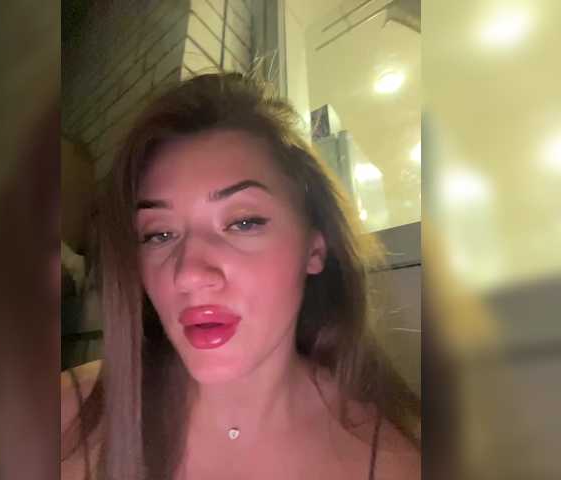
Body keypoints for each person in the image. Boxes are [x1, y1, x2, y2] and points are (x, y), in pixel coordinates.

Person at [61, 72, 420, 480]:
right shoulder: (66, 415)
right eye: (159, 234)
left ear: (315, 250)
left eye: (244, 222)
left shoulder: (398, 459)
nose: (189, 275)